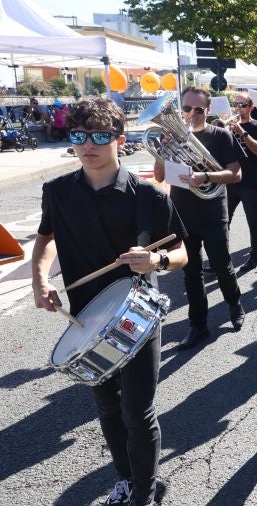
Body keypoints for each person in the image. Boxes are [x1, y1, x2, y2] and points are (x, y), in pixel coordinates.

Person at [32, 98, 187, 506]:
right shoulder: (57, 191)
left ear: (120, 140)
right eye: (79, 136)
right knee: (108, 408)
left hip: (136, 316)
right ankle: (126, 478)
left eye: (100, 136)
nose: (89, 145)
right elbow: (45, 239)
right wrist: (39, 281)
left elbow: (182, 252)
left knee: (138, 412)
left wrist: (157, 259)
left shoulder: (148, 197)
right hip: (84, 317)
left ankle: (145, 494)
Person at [152, 87, 244, 349]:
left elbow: (235, 174)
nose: (191, 114)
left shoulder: (221, 135)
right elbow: (159, 176)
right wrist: (164, 152)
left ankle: (234, 303)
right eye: (186, 108)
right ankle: (198, 325)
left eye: (198, 109)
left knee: (222, 265)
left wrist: (205, 177)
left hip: (213, 211)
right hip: (182, 213)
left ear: (208, 111)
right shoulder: (170, 138)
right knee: (191, 273)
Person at [226, 93, 257, 272]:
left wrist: (242, 133)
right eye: (235, 104)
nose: (238, 108)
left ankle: (255, 256)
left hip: (251, 182)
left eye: (242, 104)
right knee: (223, 221)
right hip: (230, 182)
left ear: (251, 107)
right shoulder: (226, 128)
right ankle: (220, 258)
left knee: (253, 221)